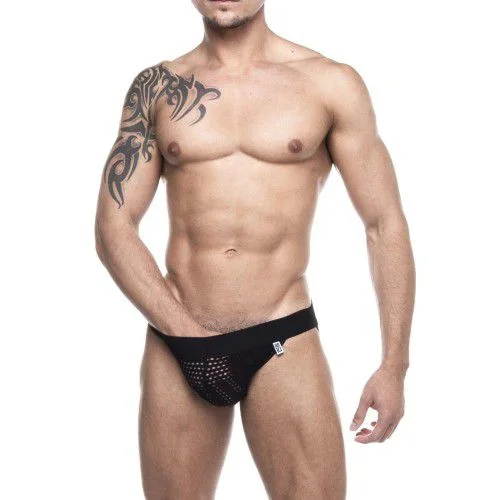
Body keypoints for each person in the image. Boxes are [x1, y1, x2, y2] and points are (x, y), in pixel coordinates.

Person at [95, 1, 415, 498]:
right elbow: (113, 226)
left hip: (282, 335)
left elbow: (383, 224)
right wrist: (188, 336)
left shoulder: (329, 84)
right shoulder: (158, 87)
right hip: (177, 339)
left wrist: (394, 365)